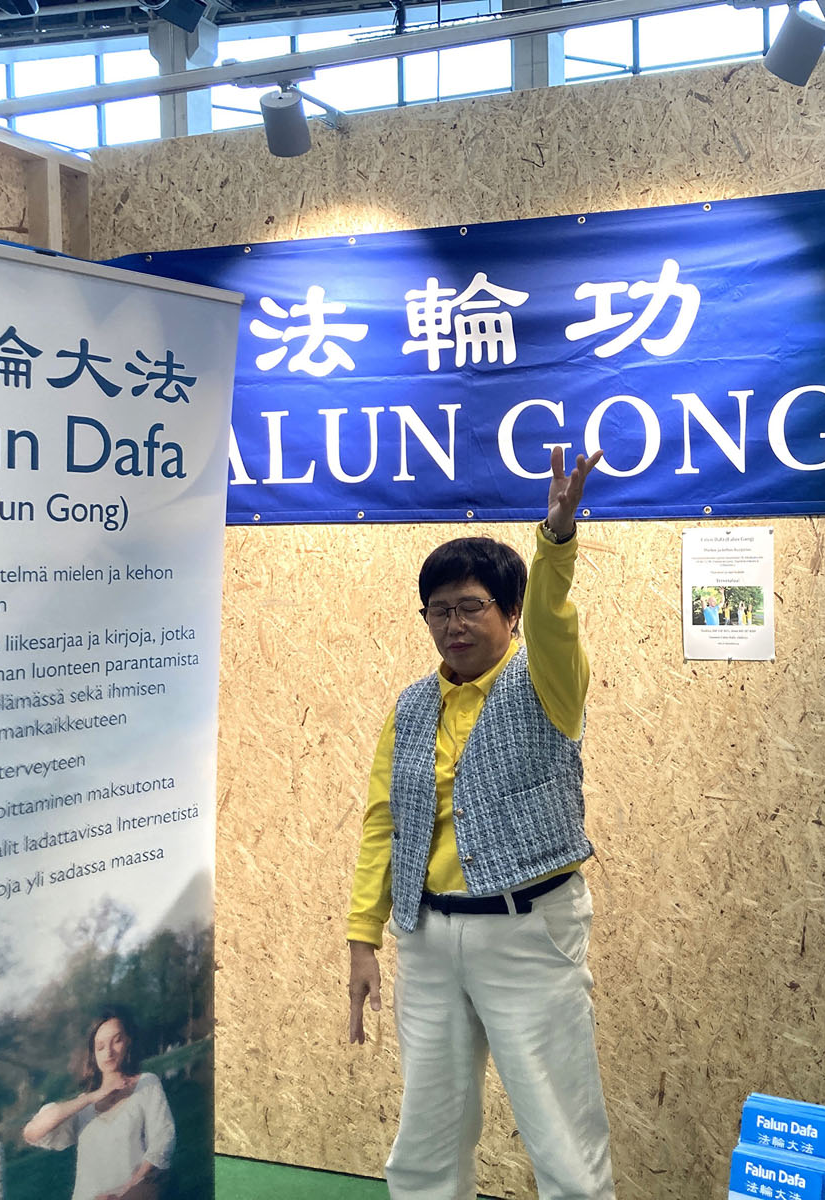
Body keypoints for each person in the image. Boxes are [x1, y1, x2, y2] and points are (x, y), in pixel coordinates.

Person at [346, 446, 616, 1200]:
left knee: (561, 1135)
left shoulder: (548, 680)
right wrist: (364, 935)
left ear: (509, 613)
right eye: (440, 610)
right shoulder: (411, 706)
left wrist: (555, 540)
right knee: (426, 1136)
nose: (454, 624)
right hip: (427, 937)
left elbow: (555, 620)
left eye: (471, 607)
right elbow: (383, 823)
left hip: (528, 931)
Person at [22, 1007, 175, 1200]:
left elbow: (162, 1142)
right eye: (100, 1046)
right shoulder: (83, 1106)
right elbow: (32, 1133)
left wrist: (126, 1191)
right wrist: (91, 1097)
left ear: (128, 1041)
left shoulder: (146, 1083)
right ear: (93, 1053)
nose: (109, 1052)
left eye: (116, 1040)